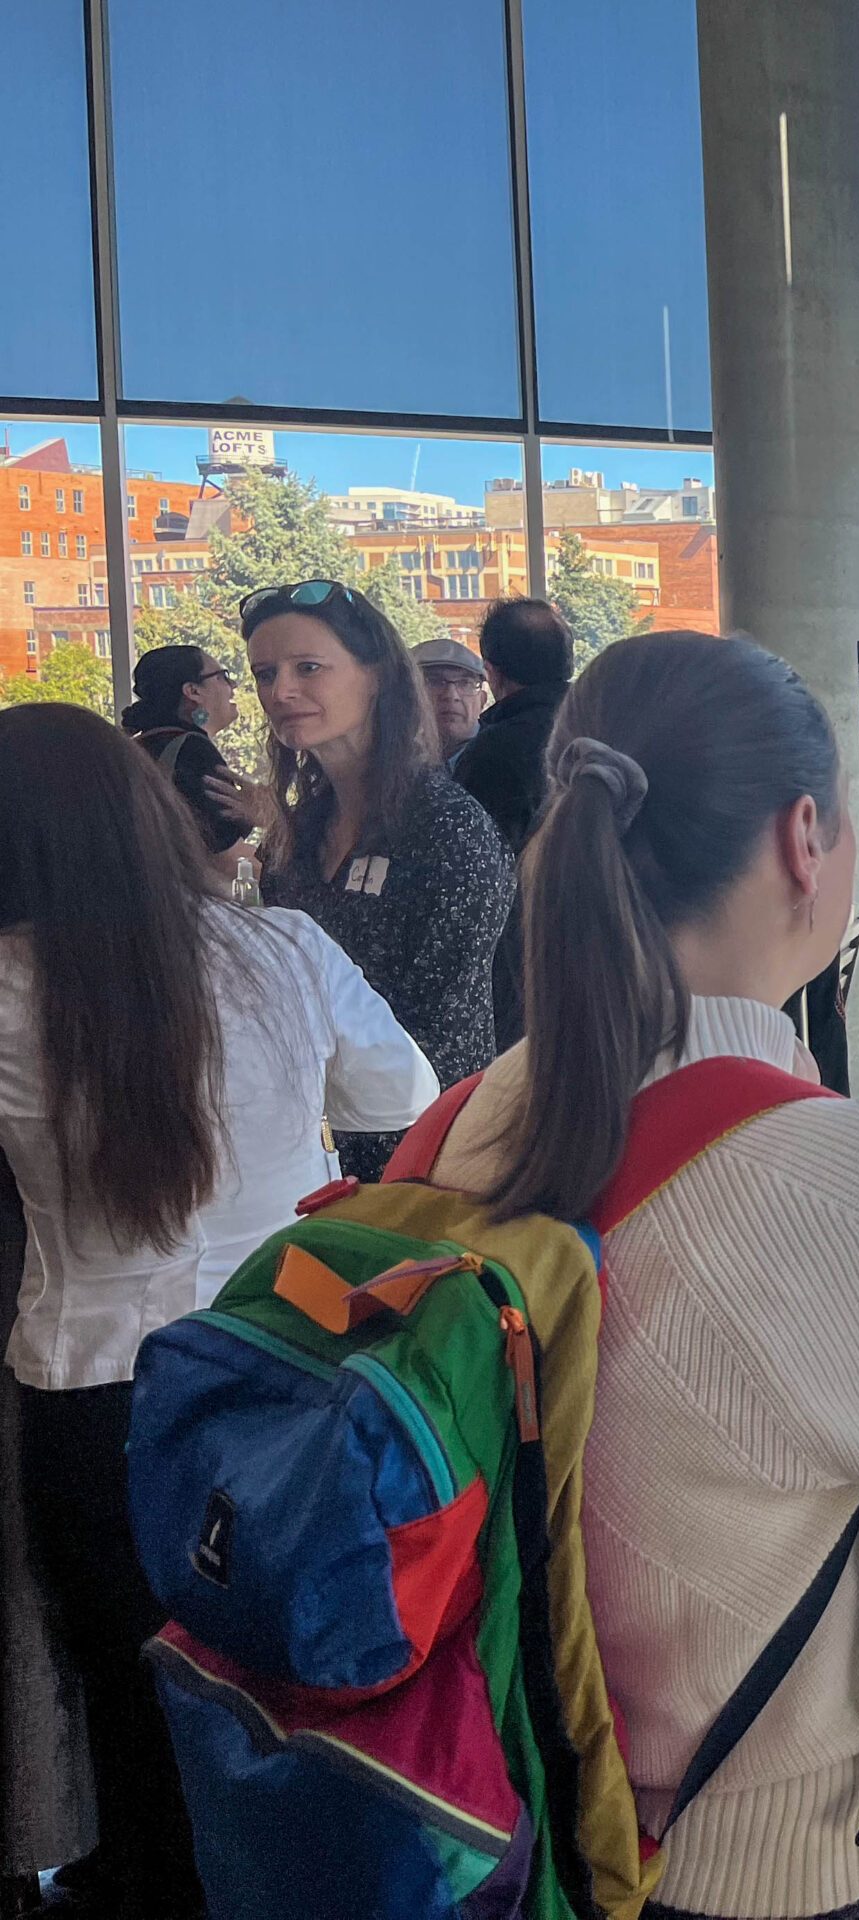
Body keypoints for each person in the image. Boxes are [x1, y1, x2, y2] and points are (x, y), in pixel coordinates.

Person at [415, 632, 859, 1920]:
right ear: (807, 838)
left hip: (510, 1812)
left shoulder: (469, 1116)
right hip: (776, 1856)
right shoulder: (840, 1181)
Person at [0, 703, 437, 1920]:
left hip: (92, 1399)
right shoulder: (284, 949)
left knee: (134, 1718)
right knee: (279, 1688)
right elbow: (404, 1085)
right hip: (280, 1381)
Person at [250, 580, 513, 1180]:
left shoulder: (446, 830)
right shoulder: (299, 834)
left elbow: (441, 1037)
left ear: (377, 677)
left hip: (430, 1165)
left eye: (308, 667)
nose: (281, 691)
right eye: (266, 674)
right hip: (316, 1163)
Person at [455, 598, 576, 1048]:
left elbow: (472, 872)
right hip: (617, 951)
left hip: (522, 968)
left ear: (492, 672)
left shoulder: (493, 753)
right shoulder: (612, 731)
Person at [120, 643, 261, 882]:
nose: (233, 686)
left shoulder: (141, 743)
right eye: (223, 677)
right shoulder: (192, 752)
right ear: (193, 691)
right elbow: (227, 861)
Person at [413, 634, 489, 765]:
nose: (451, 695)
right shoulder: (388, 761)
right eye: (434, 681)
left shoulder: (502, 758)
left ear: (482, 700)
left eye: (465, 683)